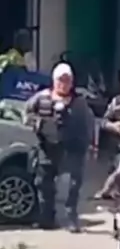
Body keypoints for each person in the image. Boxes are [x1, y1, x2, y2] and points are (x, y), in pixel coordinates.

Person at [25, 62, 95, 232]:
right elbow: (27, 115)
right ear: (54, 80)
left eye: (67, 80)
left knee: (72, 186)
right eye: (60, 80)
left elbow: (89, 124)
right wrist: (39, 123)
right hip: (47, 148)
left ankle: (71, 219)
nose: (63, 84)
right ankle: (47, 218)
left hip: (72, 149)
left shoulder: (79, 102)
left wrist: (90, 145)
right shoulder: (41, 98)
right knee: (44, 184)